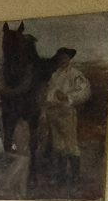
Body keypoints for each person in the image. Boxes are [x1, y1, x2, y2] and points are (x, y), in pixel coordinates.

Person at [37, 47, 89, 186]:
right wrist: (45, 110)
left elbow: (84, 91)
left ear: (69, 59)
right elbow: (48, 93)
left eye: (65, 57)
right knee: (58, 145)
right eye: (60, 57)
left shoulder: (75, 74)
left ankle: (75, 177)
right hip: (53, 112)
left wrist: (67, 97)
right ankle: (61, 176)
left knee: (71, 144)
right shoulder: (55, 75)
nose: (62, 60)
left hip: (66, 112)